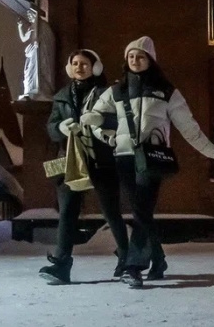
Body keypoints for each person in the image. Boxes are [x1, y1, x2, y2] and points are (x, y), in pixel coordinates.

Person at [86, 36, 214, 288]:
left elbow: (187, 126)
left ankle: (133, 266)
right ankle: (158, 259)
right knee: (141, 212)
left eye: (141, 56)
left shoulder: (167, 92)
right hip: (124, 157)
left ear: (151, 60)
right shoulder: (116, 91)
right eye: (131, 56)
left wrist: (210, 150)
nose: (136, 60)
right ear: (126, 60)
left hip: (152, 158)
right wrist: (107, 135)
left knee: (142, 209)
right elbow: (93, 117)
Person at [39, 49, 128, 285]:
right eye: (75, 63)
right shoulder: (61, 97)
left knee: (110, 211)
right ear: (70, 68)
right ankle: (61, 264)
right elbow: (50, 126)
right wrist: (61, 129)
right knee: (67, 212)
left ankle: (128, 258)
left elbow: (118, 120)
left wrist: (99, 120)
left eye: (85, 64)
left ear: (95, 67)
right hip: (71, 159)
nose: (80, 67)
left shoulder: (105, 93)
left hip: (101, 158)